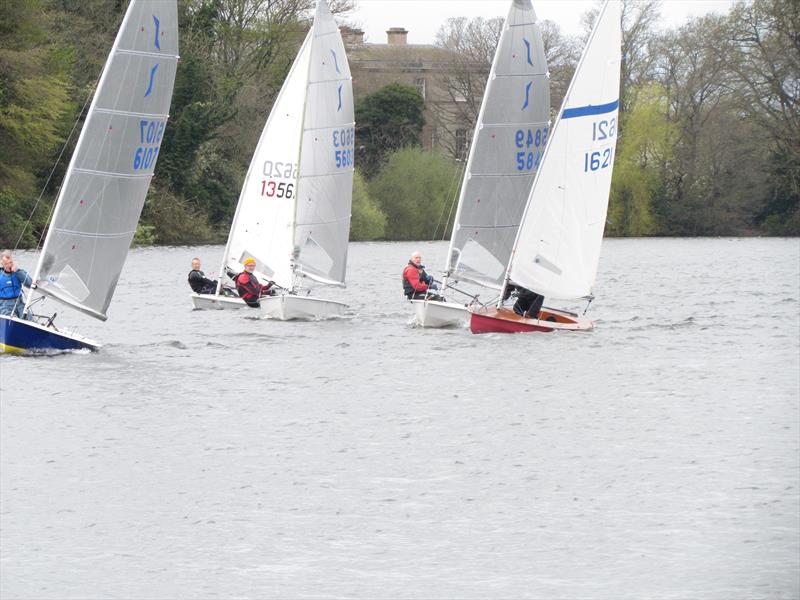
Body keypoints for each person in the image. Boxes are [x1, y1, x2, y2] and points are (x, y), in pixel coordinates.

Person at [0, 250, 33, 318]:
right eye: (6, 264)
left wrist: (18, 271)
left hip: (19, 304)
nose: (9, 265)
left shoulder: (19, 272)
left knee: (29, 319)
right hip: (4, 306)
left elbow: (30, 284)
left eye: (11, 263)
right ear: (2, 263)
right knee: (12, 319)